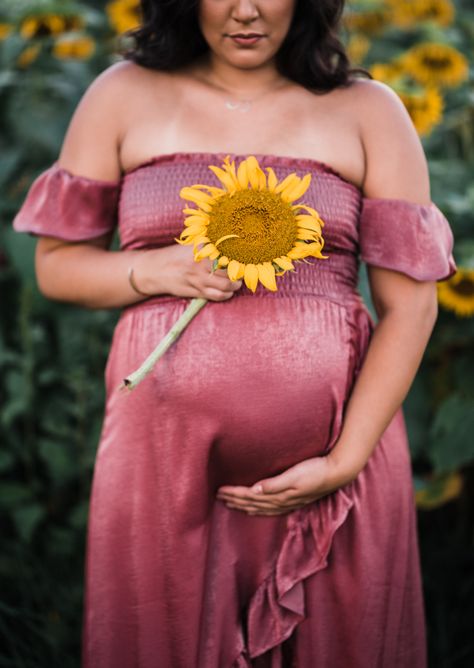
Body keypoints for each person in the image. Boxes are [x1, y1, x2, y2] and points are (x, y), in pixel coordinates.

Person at [13, 0, 456, 666]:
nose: (245, 11)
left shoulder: (369, 110)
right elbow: (56, 269)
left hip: (338, 458)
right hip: (161, 461)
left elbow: (412, 308)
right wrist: (156, 269)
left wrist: (344, 459)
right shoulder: (120, 96)